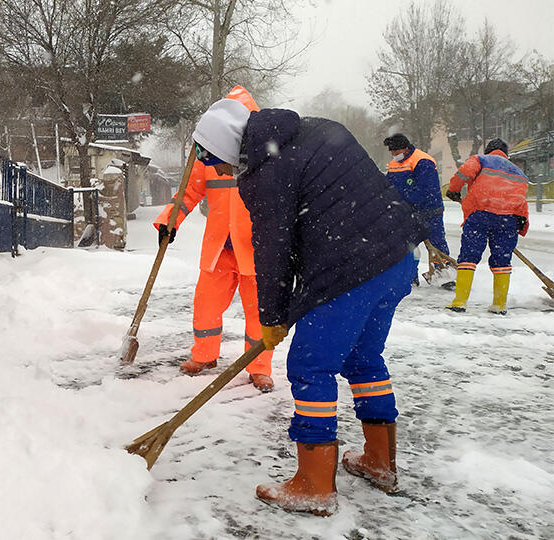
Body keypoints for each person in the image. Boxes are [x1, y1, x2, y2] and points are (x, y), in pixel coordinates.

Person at [190, 97, 427, 515]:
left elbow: (272, 251)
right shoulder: (315, 127)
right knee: (363, 358)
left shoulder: (265, 174)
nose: (219, 171)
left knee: (309, 366)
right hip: (400, 254)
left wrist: (273, 319)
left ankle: (315, 485)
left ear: (229, 147)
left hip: (353, 266)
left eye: (215, 161)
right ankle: (379, 462)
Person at [153, 86, 275, 392]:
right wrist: (169, 221)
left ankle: (259, 367)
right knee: (206, 304)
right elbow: (188, 193)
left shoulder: (267, 155)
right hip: (220, 245)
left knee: (258, 312)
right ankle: (204, 356)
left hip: (256, 248)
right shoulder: (208, 154)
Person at [445, 138, 529, 315]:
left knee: (469, 255)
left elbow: (463, 173)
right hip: (508, 220)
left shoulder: (481, 160)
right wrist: (522, 221)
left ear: (489, 150)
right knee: (502, 260)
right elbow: (521, 201)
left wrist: (453, 189)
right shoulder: (518, 172)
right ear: (506, 154)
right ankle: (499, 305)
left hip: (480, 214)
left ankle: (460, 301)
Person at [382, 133, 452, 285]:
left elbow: (426, 189)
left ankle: (443, 274)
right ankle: (410, 277)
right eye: (391, 152)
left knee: (435, 243)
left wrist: (407, 203)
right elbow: (388, 186)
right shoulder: (394, 164)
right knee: (407, 246)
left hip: (429, 210)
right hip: (406, 211)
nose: (393, 154)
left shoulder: (422, 161)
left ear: (405, 148)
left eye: (395, 151)